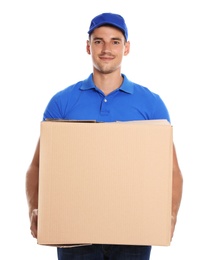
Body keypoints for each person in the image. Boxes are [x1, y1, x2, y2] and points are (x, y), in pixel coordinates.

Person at [26, 12, 183, 260]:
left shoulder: (150, 104)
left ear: (127, 48)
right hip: (75, 231)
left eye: (115, 41)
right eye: (98, 41)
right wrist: (34, 207)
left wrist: (171, 215)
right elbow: (37, 165)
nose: (106, 48)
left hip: (133, 232)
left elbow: (172, 171)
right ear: (88, 47)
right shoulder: (63, 103)